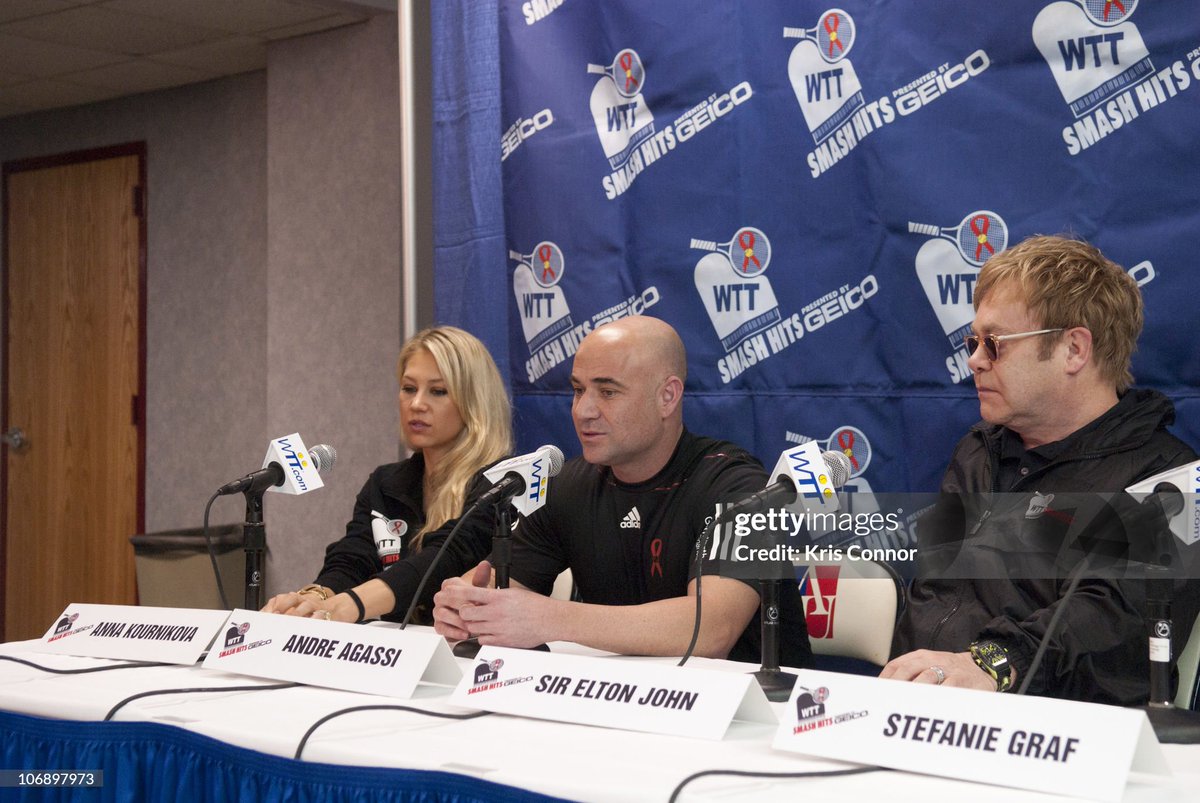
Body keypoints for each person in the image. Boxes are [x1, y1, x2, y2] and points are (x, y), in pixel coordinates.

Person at [882, 235, 1197, 704]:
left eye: (994, 343)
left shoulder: (1167, 480)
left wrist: (991, 663)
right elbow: (934, 598)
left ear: (1074, 349)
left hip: (1063, 744)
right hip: (922, 717)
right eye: (974, 341)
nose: (973, 360)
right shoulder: (977, 453)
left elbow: (1113, 622)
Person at [432, 315, 813, 665]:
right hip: (627, 706)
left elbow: (711, 630)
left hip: (753, 718)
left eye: (608, 392)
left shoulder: (741, 488)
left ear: (667, 397)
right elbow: (498, 588)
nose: (583, 411)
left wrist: (549, 618)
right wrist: (466, 607)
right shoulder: (569, 486)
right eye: (579, 390)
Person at [262, 326, 513, 623]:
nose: (416, 404)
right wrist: (314, 598)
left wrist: (351, 604)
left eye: (438, 391)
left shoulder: (503, 484)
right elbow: (352, 558)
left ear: (474, 403)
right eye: (409, 388)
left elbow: (443, 558)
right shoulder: (386, 483)